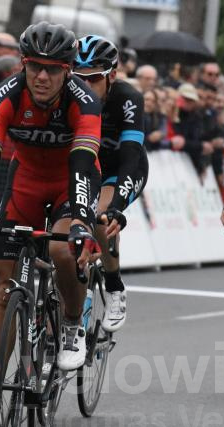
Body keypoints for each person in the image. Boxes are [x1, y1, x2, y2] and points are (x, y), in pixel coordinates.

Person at [0, 22, 103, 427]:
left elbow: (84, 163)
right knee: (3, 290)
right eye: (35, 66)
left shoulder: (84, 101)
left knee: (63, 251)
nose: (42, 76)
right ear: (23, 64)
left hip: (71, 184)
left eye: (53, 69)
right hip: (26, 184)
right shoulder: (5, 96)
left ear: (68, 70)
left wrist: (83, 221)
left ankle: (71, 324)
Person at [73, 35, 149, 332]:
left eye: (93, 79)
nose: (85, 86)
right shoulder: (67, 96)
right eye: (78, 78)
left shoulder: (128, 98)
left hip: (120, 169)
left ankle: (114, 286)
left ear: (112, 76)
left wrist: (117, 206)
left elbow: (131, 154)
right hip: (84, 167)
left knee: (101, 219)